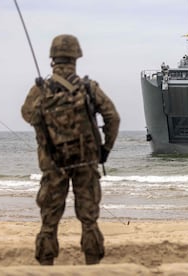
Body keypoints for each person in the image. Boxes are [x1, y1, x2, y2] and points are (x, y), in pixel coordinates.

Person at [21, 34, 120, 265]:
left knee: (49, 220)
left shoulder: (41, 89)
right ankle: (93, 264)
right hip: (85, 162)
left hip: (53, 164)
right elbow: (112, 118)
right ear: (77, 57)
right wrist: (105, 149)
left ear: (52, 59)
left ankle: (45, 265)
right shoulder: (88, 88)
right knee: (88, 219)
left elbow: (27, 115)